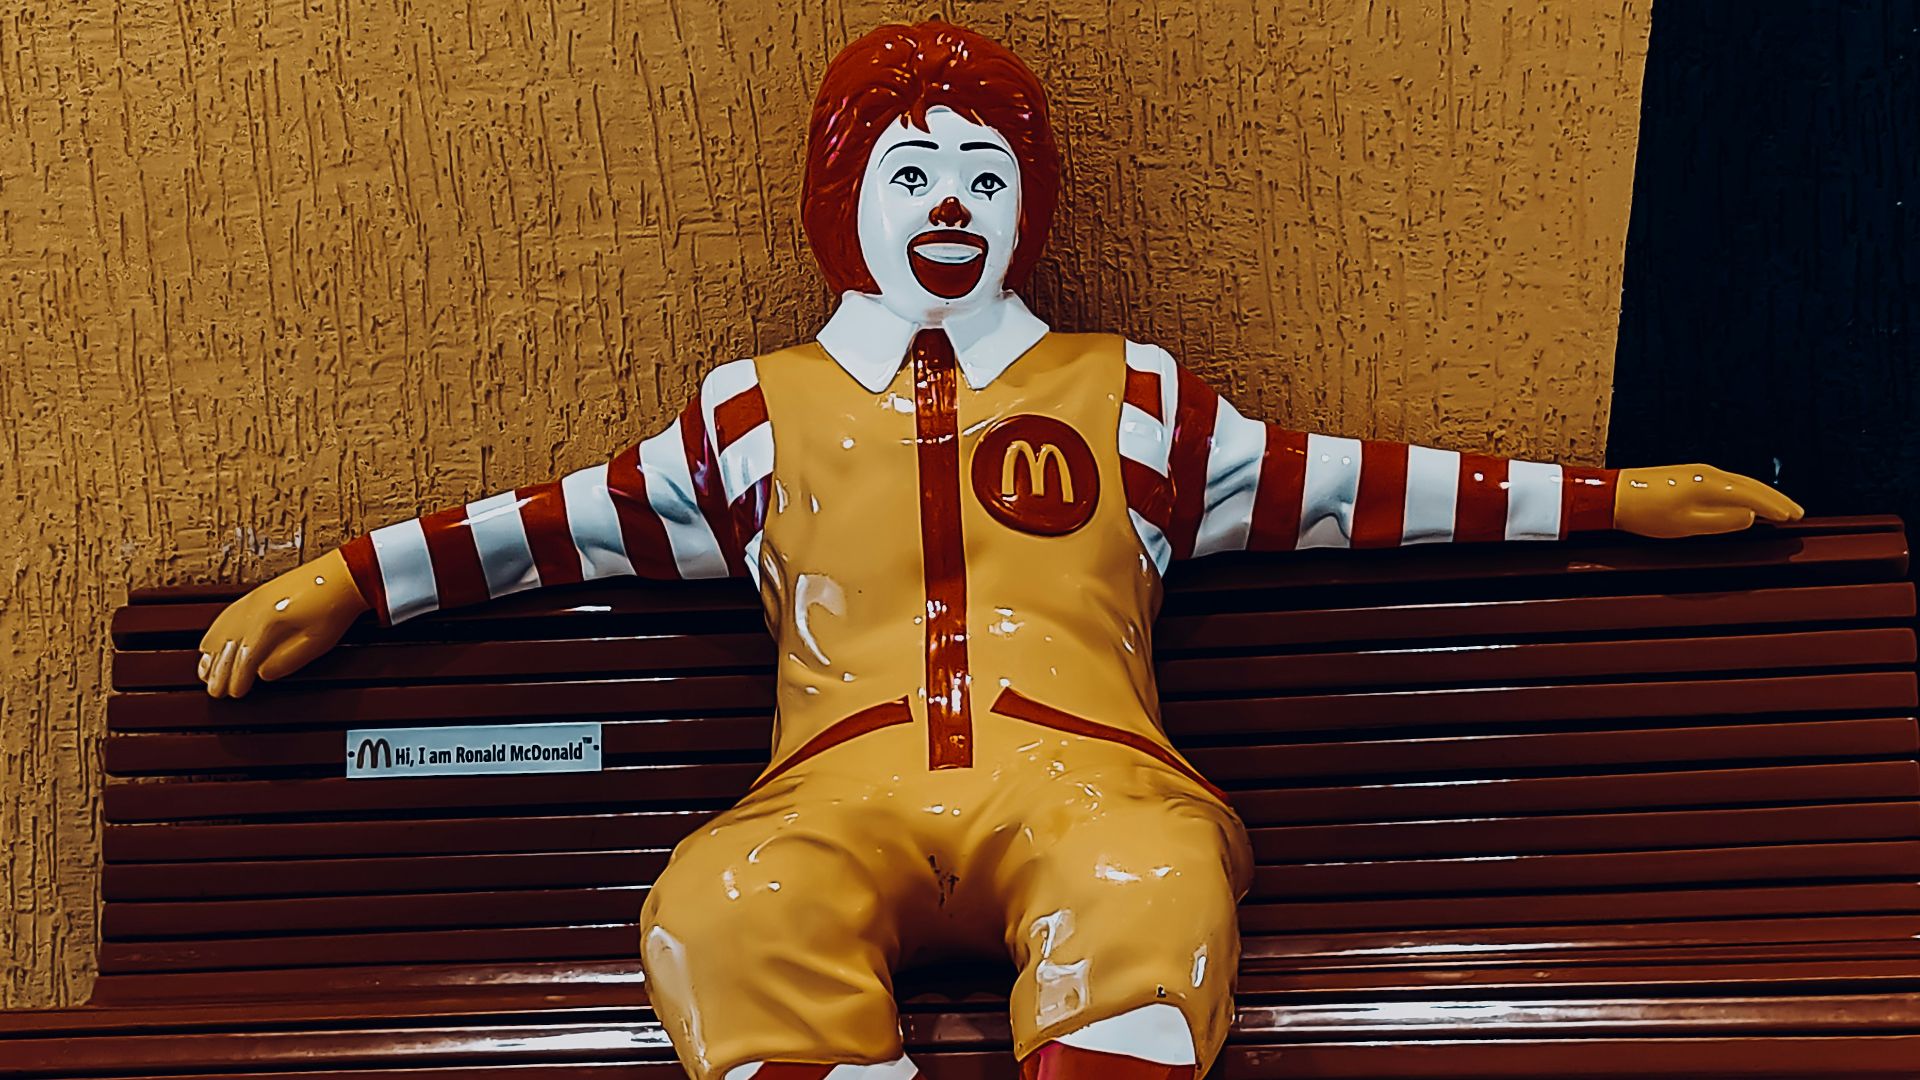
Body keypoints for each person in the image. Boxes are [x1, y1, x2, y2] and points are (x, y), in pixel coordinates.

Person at [196, 21, 1804, 1080]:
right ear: (848, 201)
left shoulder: (1141, 402)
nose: (949, 202)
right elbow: (552, 529)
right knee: (728, 904)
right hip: (831, 794)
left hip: (1091, 779)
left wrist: (1610, 501)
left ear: (1028, 203)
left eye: (984, 171)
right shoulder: (754, 414)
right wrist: (350, 577)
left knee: (1147, 889)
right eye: (911, 171)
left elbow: (1362, 485)